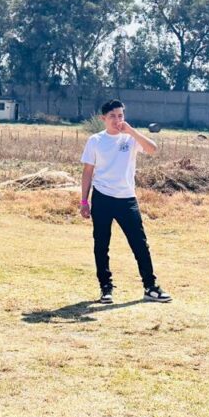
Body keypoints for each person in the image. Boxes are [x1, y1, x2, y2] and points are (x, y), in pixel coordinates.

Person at [79, 99, 170, 304]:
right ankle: (106, 288)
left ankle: (150, 287)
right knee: (101, 244)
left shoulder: (130, 138)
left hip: (127, 199)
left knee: (140, 244)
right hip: (102, 197)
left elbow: (152, 149)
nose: (117, 120)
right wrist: (84, 201)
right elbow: (87, 172)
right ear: (103, 118)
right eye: (112, 116)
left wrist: (131, 131)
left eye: (120, 115)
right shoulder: (95, 140)